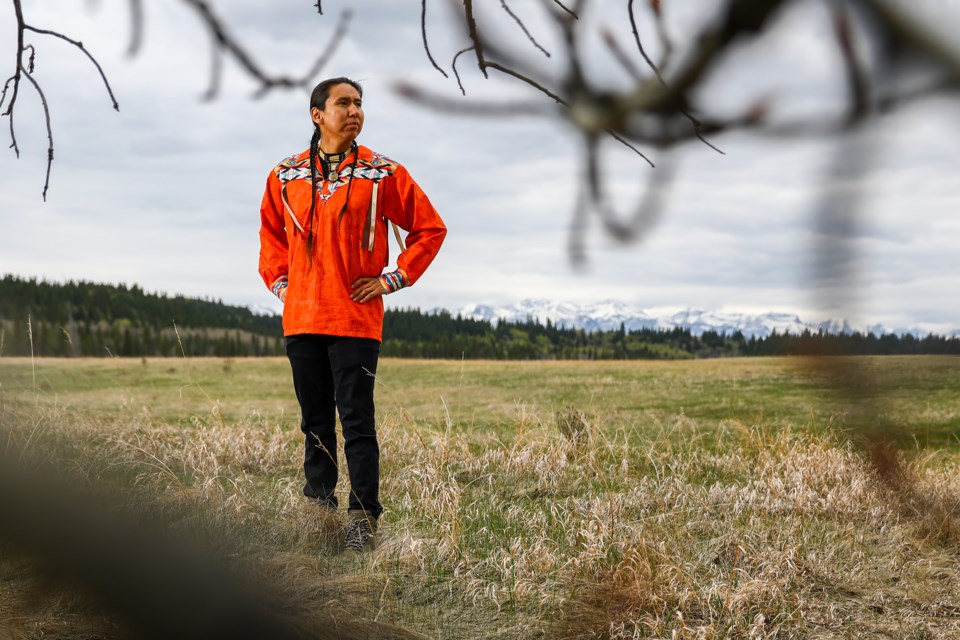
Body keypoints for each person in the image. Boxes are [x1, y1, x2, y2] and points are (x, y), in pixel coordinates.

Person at [258, 77, 446, 553]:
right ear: (317, 114)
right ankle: (318, 516)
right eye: (343, 103)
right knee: (314, 423)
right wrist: (284, 286)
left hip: (356, 322)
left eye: (359, 103)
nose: (354, 110)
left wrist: (391, 279)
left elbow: (429, 229)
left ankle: (364, 521)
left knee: (357, 423)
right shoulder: (284, 175)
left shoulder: (385, 173)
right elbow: (271, 240)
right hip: (302, 321)